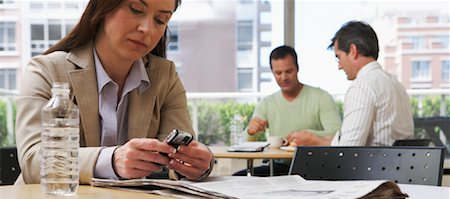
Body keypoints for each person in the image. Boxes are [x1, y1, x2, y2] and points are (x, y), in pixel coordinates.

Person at [15, 0, 214, 185]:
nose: (147, 29)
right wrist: (111, 160)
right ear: (103, 6)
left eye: (160, 20)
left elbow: (177, 159)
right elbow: (33, 161)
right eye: (136, 9)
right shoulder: (46, 71)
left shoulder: (165, 77)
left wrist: (197, 166)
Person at [291, 21, 414, 147]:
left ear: (353, 50)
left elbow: (347, 150)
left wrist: (313, 141)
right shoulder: (396, 84)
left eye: (339, 57)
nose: (339, 66)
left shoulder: (362, 86)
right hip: (398, 165)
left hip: (372, 165)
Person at [238, 45, 342, 176]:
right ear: (272, 73)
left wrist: (306, 136)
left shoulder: (321, 98)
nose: (284, 77)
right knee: (237, 178)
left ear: (297, 69)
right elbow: (246, 145)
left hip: (314, 166)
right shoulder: (267, 103)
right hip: (278, 167)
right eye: (278, 73)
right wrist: (250, 131)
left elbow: (337, 134)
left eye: (288, 71)